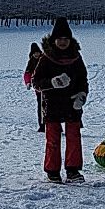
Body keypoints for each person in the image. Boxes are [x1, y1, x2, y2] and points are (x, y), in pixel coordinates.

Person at [33, 18, 89, 183]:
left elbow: (83, 80)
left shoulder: (76, 58)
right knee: (53, 139)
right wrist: (52, 83)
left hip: (72, 103)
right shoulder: (46, 59)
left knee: (74, 137)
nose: (63, 42)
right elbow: (36, 82)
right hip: (52, 104)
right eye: (59, 39)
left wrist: (82, 95)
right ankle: (52, 170)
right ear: (53, 40)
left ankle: (73, 170)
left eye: (66, 39)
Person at [24, 41, 45, 132]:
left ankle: (55, 126)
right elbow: (27, 73)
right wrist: (28, 82)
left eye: (37, 52)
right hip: (38, 88)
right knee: (41, 107)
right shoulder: (31, 62)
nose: (36, 54)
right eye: (34, 53)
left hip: (48, 87)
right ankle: (42, 125)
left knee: (51, 107)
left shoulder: (45, 59)